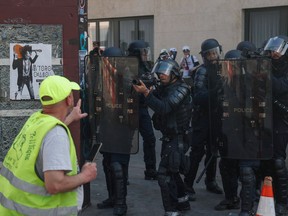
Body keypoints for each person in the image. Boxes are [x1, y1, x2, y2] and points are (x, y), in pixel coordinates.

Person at [0, 75, 97, 215]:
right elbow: (55, 185)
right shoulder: (56, 135)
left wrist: (70, 118)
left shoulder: (36, 120)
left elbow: (46, 136)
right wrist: (85, 175)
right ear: (69, 99)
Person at [133, 58, 192, 216]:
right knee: (172, 171)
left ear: (174, 74)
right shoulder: (164, 87)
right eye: (159, 72)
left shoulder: (182, 89)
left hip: (178, 137)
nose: (161, 75)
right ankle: (183, 201)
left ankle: (171, 211)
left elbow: (165, 107)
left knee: (163, 175)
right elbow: (152, 99)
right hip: (168, 137)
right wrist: (144, 86)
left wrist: (147, 92)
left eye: (164, 72)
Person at [184, 38, 223, 202]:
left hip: (217, 116)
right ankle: (188, 185)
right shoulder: (202, 71)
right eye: (210, 54)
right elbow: (199, 96)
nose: (213, 56)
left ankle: (210, 180)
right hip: (202, 117)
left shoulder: (223, 68)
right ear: (205, 56)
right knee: (197, 151)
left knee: (214, 150)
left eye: (215, 52)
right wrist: (216, 90)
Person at [96, 47, 131, 216]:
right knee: (108, 164)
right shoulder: (102, 78)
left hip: (122, 128)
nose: (106, 65)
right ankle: (112, 198)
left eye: (109, 62)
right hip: (107, 127)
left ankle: (121, 202)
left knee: (118, 166)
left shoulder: (127, 76)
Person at [262, 35, 288, 216]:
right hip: (270, 117)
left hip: (283, 115)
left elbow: (280, 87)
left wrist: (264, 73)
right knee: (271, 161)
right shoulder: (268, 65)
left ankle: (283, 201)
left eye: (277, 49)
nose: (274, 53)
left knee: (278, 161)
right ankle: (274, 198)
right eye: (272, 50)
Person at [213, 49, 242, 211]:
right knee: (225, 165)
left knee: (243, 168)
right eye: (228, 65)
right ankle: (230, 197)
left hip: (242, 131)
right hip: (226, 130)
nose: (230, 68)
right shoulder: (224, 82)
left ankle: (245, 200)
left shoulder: (246, 82)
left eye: (234, 65)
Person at [128, 40, 157, 180]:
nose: (146, 54)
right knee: (126, 141)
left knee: (150, 139)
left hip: (142, 108)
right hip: (130, 108)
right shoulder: (127, 66)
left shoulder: (146, 66)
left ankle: (150, 170)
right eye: (143, 52)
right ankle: (123, 174)